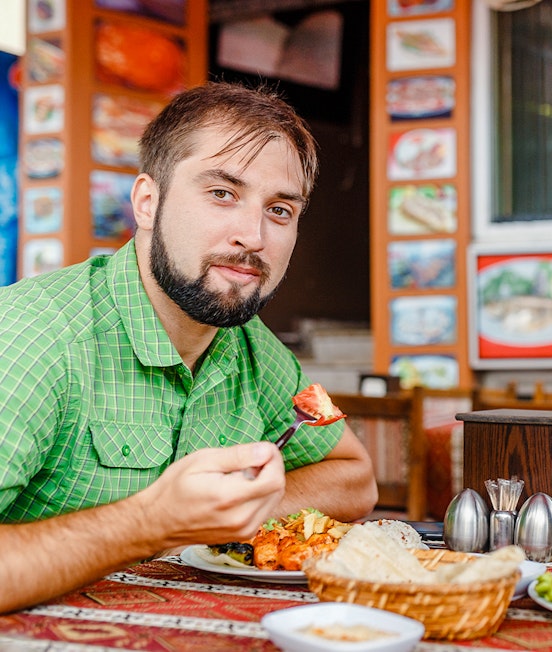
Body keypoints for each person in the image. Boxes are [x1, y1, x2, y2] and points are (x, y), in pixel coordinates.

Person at [0, 82, 378, 612]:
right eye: (222, 193)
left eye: (280, 210)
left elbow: (354, 475)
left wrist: (234, 512)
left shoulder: (251, 347)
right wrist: (152, 524)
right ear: (148, 203)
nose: (253, 235)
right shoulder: (31, 336)